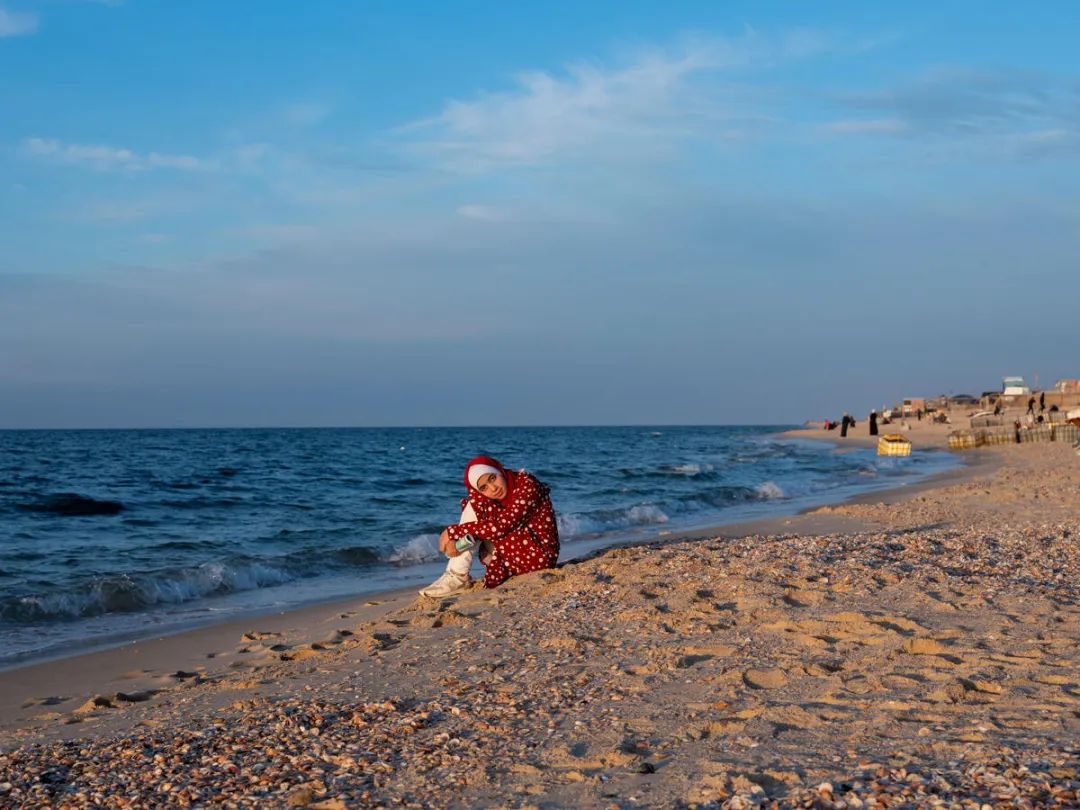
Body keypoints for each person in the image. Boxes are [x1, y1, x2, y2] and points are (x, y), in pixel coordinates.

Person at [419, 456, 560, 597]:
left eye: (492, 478)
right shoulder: (488, 498)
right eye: (484, 487)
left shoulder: (528, 485)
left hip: (538, 556)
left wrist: (453, 531)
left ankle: (457, 576)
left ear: (499, 471)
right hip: (516, 552)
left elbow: (502, 525)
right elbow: (487, 520)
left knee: (478, 508)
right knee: (476, 503)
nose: (493, 488)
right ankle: (455, 574)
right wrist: (457, 538)